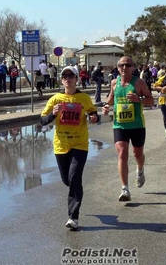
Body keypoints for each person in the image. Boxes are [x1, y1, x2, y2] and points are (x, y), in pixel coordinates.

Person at [40, 66, 100, 230]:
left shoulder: (83, 98)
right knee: (67, 180)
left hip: (80, 144)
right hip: (61, 145)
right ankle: (76, 189)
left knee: (74, 178)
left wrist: (94, 117)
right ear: (61, 80)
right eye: (64, 76)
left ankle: (73, 217)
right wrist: (53, 114)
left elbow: (94, 114)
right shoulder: (55, 99)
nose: (68, 78)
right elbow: (43, 120)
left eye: (71, 75)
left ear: (76, 79)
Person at [102, 56, 154, 201]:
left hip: (137, 125)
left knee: (138, 154)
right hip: (120, 124)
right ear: (117, 67)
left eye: (127, 65)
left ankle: (140, 169)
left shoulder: (139, 83)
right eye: (121, 65)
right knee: (122, 154)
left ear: (132, 67)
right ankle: (125, 189)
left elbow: (151, 101)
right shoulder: (114, 82)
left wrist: (139, 99)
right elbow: (111, 98)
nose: (124, 68)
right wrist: (106, 106)